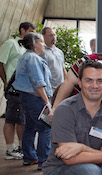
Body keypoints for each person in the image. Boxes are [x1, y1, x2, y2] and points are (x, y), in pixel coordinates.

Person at [42, 60, 102, 175]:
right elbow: (69, 158)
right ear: (79, 82)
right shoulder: (65, 110)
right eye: (89, 80)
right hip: (59, 169)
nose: (94, 86)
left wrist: (82, 148)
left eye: (99, 81)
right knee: (90, 171)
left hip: (96, 170)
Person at [12, 32, 52, 169]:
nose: (43, 44)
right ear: (34, 44)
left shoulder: (25, 57)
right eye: (41, 41)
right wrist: (47, 102)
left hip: (26, 97)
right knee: (45, 128)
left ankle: (29, 157)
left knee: (30, 127)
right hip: (36, 98)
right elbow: (38, 83)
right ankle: (44, 161)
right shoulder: (33, 59)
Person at [0, 22, 35, 160]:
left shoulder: (26, 48)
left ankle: (21, 147)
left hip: (24, 89)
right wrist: (6, 82)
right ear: (22, 30)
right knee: (11, 119)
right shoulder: (11, 44)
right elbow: (1, 62)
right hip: (14, 89)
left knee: (22, 119)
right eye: (30, 31)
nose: (32, 34)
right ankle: (10, 149)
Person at [40, 27, 67, 93]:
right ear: (43, 36)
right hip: (49, 88)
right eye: (50, 35)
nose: (53, 37)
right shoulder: (41, 52)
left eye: (54, 35)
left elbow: (63, 69)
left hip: (60, 88)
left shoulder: (59, 52)